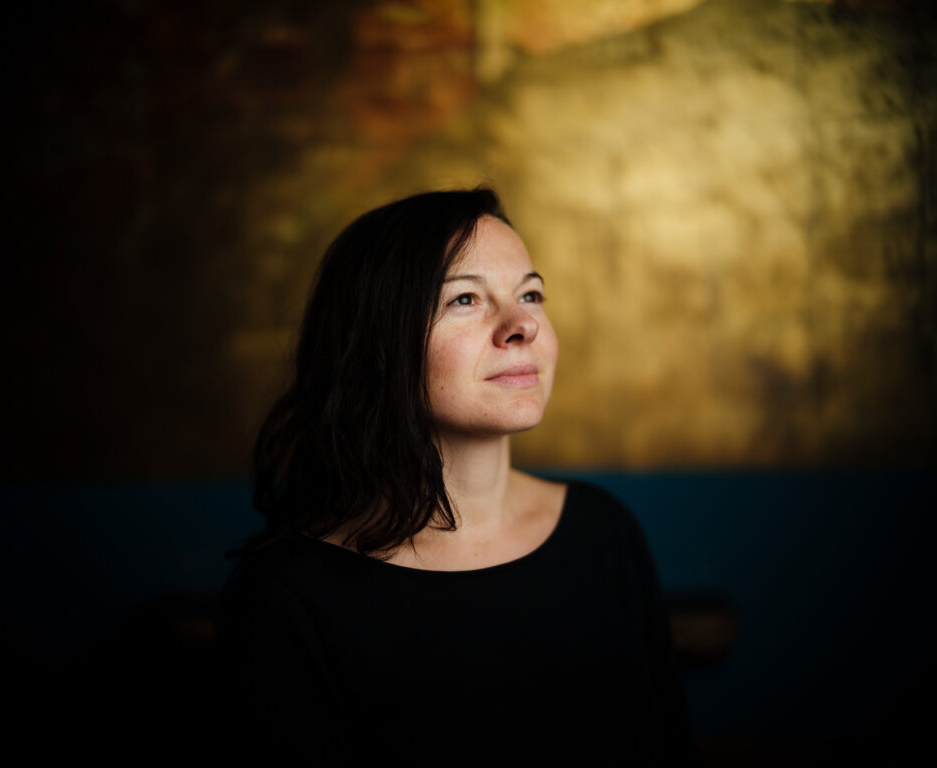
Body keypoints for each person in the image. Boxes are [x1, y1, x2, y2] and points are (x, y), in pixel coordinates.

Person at [220, 188, 696, 764]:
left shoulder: (604, 531)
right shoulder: (290, 593)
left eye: (531, 294)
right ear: (377, 344)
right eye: (466, 299)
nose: (523, 324)